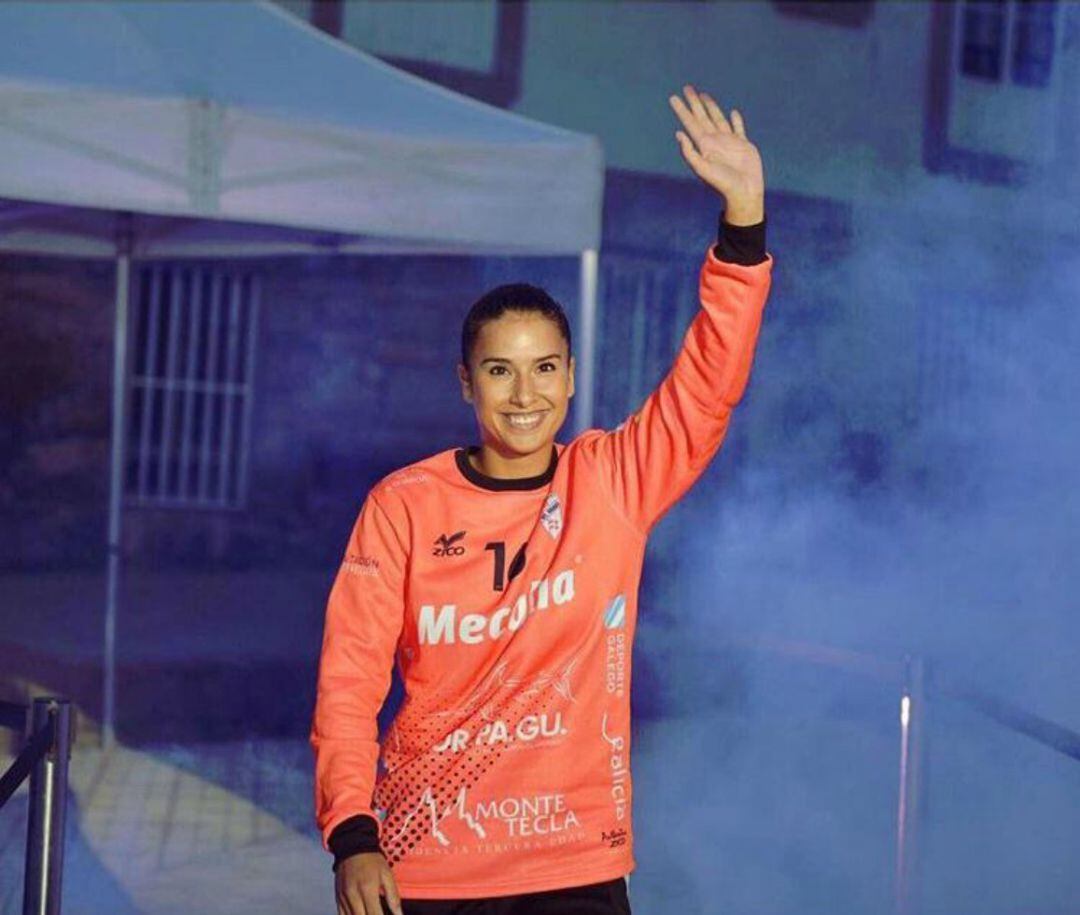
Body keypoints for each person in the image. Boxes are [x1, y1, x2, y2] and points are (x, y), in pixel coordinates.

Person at [310, 84, 772, 915]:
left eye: (544, 368)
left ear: (569, 376)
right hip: (431, 866)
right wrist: (353, 833)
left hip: (574, 865)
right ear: (466, 382)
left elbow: (708, 387)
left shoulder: (613, 480)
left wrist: (743, 226)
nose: (525, 394)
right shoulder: (404, 504)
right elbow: (349, 682)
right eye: (500, 370)